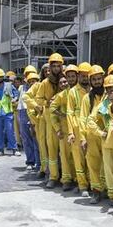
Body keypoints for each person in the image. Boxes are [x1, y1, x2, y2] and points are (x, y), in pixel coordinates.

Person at [24, 55, 65, 188]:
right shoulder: (44, 84)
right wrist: (46, 103)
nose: (56, 69)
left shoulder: (65, 81)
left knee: (65, 150)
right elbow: (37, 99)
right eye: (53, 66)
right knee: (51, 147)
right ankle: (52, 176)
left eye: (58, 66)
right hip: (49, 119)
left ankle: (66, 176)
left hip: (64, 118)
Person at [95, 74, 113, 206]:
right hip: (107, 143)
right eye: (109, 88)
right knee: (109, 169)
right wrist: (100, 132)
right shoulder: (103, 104)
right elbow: (90, 120)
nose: (112, 90)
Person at [65, 64, 91, 194]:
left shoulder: (93, 90)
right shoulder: (73, 91)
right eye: (82, 76)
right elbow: (69, 112)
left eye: (87, 76)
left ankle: (93, 183)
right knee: (79, 159)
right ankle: (82, 186)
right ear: (78, 76)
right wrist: (70, 132)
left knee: (91, 157)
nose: (85, 78)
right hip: (76, 128)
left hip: (90, 127)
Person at [82, 65, 106, 203]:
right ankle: (96, 191)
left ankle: (108, 190)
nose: (97, 82)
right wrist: (83, 138)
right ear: (90, 81)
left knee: (108, 164)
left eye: (99, 79)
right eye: (94, 79)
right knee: (93, 163)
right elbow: (83, 118)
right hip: (92, 136)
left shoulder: (108, 95)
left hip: (107, 135)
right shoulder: (87, 98)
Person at [49, 67, 76, 191]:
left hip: (77, 130)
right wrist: (58, 127)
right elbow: (52, 109)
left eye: (71, 78)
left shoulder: (79, 92)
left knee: (77, 157)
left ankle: (77, 178)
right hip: (65, 131)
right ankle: (66, 180)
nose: (67, 82)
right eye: (63, 81)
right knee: (64, 156)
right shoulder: (60, 95)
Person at [18, 71, 41, 171]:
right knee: (27, 139)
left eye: (34, 81)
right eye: (30, 81)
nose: (32, 83)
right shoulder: (22, 89)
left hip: (37, 118)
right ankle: (30, 161)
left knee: (37, 141)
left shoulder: (41, 90)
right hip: (24, 115)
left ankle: (38, 162)